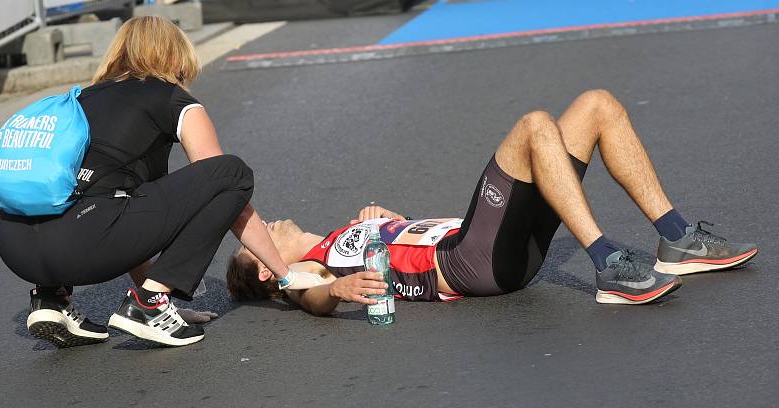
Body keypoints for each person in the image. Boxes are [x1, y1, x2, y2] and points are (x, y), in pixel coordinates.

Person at [226, 90, 758, 315]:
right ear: (271, 272)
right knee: (532, 125)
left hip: (496, 240)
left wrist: (392, 222)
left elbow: (407, 240)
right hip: (468, 262)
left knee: (596, 105)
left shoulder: (346, 236)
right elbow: (312, 298)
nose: (262, 224)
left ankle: (678, 238)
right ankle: (609, 267)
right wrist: (335, 289)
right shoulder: (306, 272)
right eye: (257, 241)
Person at [0, 16, 320, 348]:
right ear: (176, 56)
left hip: (15, 246)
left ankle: (52, 299)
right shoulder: (171, 99)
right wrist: (285, 275)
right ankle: (147, 307)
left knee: (96, 192)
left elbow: (133, 216)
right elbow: (226, 189)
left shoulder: (79, 100)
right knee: (231, 172)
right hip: (82, 243)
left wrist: (159, 292)